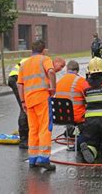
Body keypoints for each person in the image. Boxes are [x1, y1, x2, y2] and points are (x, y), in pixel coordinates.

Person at [17, 40, 64, 171]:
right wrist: (53, 88)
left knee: (33, 129)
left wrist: (22, 102)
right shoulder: (45, 59)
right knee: (45, 128)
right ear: (43, 50)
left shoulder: (24, 64)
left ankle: (33, 158)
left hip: (29, 100)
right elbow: (51, 72)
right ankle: (44, 159)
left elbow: (19, 84)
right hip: (42, 98)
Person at [54, 60, 86, 146]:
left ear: (67, 69)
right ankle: (79, 131)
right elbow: (88, 99)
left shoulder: (59, 82)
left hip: (61, 116)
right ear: (78, 70)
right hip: (76, 117)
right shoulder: (81, 81)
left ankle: (71, 131)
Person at [8, 57, 30, 148]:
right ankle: (23, 140)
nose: (60, 69)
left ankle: (27, 136)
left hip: (16, 77)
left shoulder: (33, 59)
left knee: (26, 107)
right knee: (24, 107)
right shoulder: (41, 62)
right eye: (60, 67)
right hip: (16, 78)